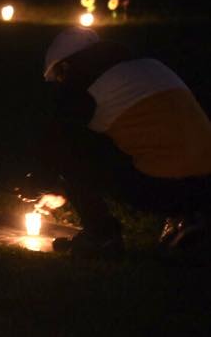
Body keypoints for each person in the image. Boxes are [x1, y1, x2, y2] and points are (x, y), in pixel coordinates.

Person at [29, 27, 211, 255]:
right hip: (204, 185)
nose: (62, 84)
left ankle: (101, 236)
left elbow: (60, 143)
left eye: (59, 77)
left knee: (69, 147)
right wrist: (64, 192)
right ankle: (191, 218)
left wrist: (42, 182)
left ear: (66, 67)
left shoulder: (85, 85)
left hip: (165, 188)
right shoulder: (150, 66)